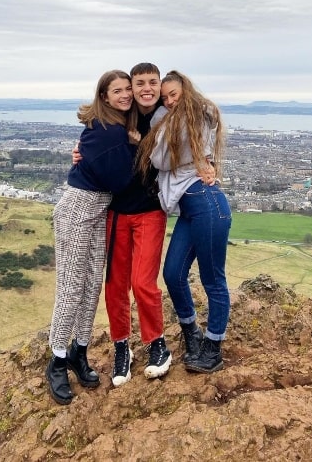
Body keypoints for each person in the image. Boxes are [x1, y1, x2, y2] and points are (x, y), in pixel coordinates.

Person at [72, 62, 172, 387]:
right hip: (117, 213)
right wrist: (80, 154)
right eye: (134, 84)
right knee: (115, 285)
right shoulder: (120, 117)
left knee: (143, 282)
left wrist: (209, 163)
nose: (140, 90)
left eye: (149, 83)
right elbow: (95, 142)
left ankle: (157, 344)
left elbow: (194, 132)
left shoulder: (166, 113)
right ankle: (121, 347)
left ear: (159, 85)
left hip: (150, 210)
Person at [46, 70, 136, 405]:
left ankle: (78, 351)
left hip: (99, 211)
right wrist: (136, 145)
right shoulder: (104, 130)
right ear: (104, 96)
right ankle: (56, 360)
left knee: (92, 284)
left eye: (128, 89)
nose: (125, 95)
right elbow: (122, 178)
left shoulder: (117, 129)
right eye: (118, 90)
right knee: (71, 288)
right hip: (76, 210)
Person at [138, 70, 232, 374]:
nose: (169, 101)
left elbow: (160, 160)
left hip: (207, 204)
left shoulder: (190, 116)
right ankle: (192, 333)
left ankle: (213, 348)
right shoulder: (179, 118)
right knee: (173, 273)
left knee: (213, 280)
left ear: (186, 92)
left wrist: (161, 119)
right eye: (165, 98)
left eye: (174, 95)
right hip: (192, 208)